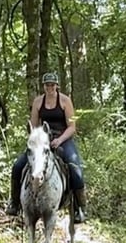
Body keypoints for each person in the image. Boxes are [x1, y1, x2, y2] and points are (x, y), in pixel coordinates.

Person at [5, 72, 88, 223]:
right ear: (43, 86)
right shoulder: (38, 102)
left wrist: (59, 140)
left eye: (52, 85)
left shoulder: (65, 101)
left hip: (63, 138)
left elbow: (72, 127)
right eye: (47, 85)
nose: (50, 87)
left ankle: (80, 208)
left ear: (57, 86)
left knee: (75, 169)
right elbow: (34, 126)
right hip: (43, 140)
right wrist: (37, 141)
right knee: (18, 166)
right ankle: (14, 203)